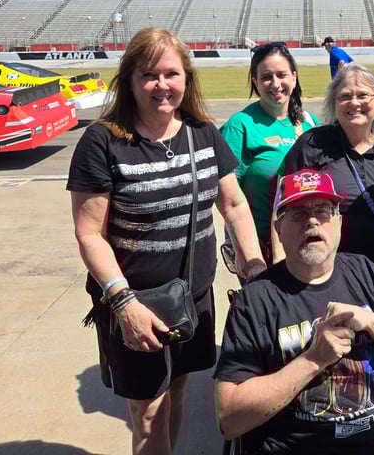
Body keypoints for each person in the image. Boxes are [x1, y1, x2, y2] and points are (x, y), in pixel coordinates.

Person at [67, 27, 265, 455]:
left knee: (177, 393)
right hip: (135, 304)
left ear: (187, 80)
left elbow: (233, 205)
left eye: (171, 74)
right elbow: (89, 234)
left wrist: (254, 266)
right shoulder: (102, 142)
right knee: (149, 412)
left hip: (193, 298)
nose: (162, 85)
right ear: (131, 81)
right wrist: (123, 304)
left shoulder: (203, 134)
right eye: (149, 75)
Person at [214, 170, 374, 454]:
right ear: (278, 228)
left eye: (322, 211)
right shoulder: (256, 300)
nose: (312, 221)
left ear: (338, 222)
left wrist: (372, 322)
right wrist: (313, 358)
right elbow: (229, 418)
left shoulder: (366, 274)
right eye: (298, 213)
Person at [282, 63, 374, 279]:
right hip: (327, 276)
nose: (354, 103)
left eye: (363, 95)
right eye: (345, 96)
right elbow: (283, 208)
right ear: (334, 104)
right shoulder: (312, 145)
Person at [220, 42, 319, 266]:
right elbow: (227, 199)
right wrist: (244, 252)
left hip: (307, 241)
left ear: (294, 77)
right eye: (266, 77)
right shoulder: (240, 127)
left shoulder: (310, 123)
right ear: (255, 82)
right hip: (261, 249)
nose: (275, 84)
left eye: (281, 75)